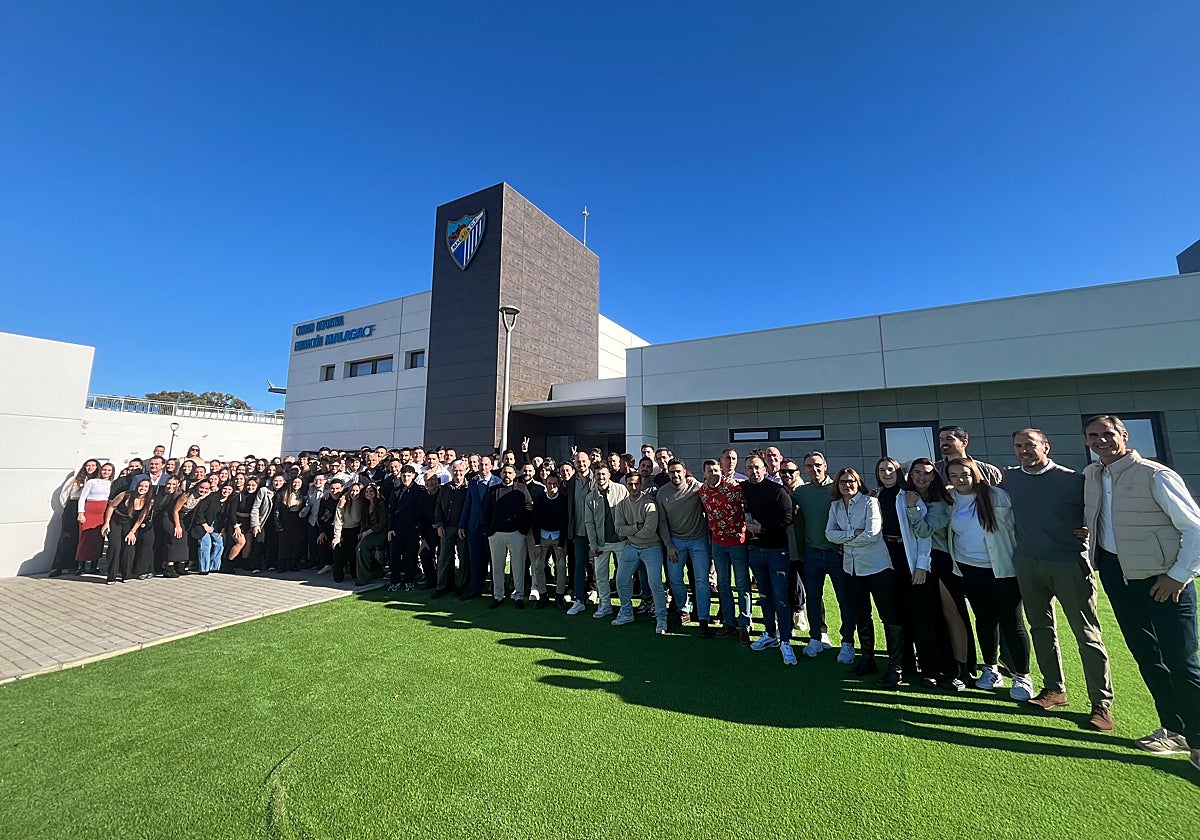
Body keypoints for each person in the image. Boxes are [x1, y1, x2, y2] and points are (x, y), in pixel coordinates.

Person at [1083, 415, 1200, 766]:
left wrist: (1178, 575)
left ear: (1124, 435)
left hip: (1163, 581)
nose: (1101, 440)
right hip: (1118, 577)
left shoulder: (1156, 474)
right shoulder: (1092, 475)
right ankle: (1173, 730)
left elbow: (1194, 529)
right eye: (1093, 435)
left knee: (1182, 661)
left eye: (1108, 433)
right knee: (1149, 657)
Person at [1006, 428, 1114, 729]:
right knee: (1040, 628)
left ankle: (1101, 704)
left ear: (1046, 447)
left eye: (1030, 445)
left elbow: (1100, 512)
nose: (1024, 450)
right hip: (1028, 563)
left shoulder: (1073, 480)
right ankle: (1054, 689)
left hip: (1069, 563)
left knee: (1087, 635)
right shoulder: (1011, 478)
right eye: (1018, 446)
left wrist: (1090, 533)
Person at [945, 458, 1034, 700]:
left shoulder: (997, 496)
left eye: (964, 474)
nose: (959, 480)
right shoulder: (950, 499)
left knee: (1012, 623)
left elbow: (1018, 527)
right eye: (953, 476)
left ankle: (1023, 676)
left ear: (974, 473)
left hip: (1003, 571)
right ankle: (991, 669)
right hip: (970, 570)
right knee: (984, 621)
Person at [826, 468, 905, 686]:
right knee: (861, 616)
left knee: (889, 617)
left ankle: (895, 666)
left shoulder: (870, 503)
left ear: (858, 482)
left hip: (877, 567)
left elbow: (872, 534)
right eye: (842, 481)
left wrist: (844, 538)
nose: (847, 485)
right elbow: (829, 534)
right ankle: (867, 659)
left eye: (851, 481)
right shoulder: (835, 506)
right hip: (852, 569)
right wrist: (853, 534)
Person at [900, 458, 962, 689]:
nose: (921, 477)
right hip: (911, 562)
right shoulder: (903, 496)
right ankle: (927, 667)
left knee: (943, 617)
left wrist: (912, 508)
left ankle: (951, 669)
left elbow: (924, 530)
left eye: (927, 473)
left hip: (938, 564)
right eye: (917, 473)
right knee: (921, 617)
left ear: (934, 476)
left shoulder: (940, 502)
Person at [793, 452, 856, 664]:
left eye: (818, 465)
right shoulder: (802, 492)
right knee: (813, 597)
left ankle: (847, 642)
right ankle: (816, 637)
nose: (814, 469)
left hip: (838, 553)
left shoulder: (838, 489)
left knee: (844, 600)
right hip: (812, 553)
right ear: (805, 469)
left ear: (826, 465)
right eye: (809, 466)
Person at [742, 455, 797, 665]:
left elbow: (788, 518)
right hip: (755, 550)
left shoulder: (777, 491)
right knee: (764, 595)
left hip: (776, 551)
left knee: (780, 597)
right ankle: (770, 634)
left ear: (764, 468)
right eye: (749, 468)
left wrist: (763, 529)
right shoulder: (743, 489)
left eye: (757, 467)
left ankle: (785, 640)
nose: (753, 471)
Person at [698, 458, 753, 644]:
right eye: (709, 471)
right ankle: (729, 622)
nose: (713, 474)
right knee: (723, 584)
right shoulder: (702, 492)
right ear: (704, 474)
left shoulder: (734, 488)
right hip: (718, 544)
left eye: (715, 470)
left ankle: (745, 624)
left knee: (742, 585)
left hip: (738, 542)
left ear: (720, 470)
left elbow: (749, 506)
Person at [656, 459, 713, 634]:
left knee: (702, 580)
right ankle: (684, 609)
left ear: (685, 471)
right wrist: (669, 545)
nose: (676, 475)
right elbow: (662, 522)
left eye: (679, 471)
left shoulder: (697, 488)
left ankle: (703, 617)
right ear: (668, 473)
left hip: (699, 540)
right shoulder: (662, 493)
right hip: (676, 542)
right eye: (672, 472)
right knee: (674, 579)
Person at [612, 471, 668, 633]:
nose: (634, 487)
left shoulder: (649, 504)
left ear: (641, 484)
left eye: (637, 483)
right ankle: (626, 612)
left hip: (652, 547)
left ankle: (661, 618)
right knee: (621, 580)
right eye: (630, 484)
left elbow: (650, 531)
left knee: (655, 583)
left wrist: (629, 530)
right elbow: (619, 530)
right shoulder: (621, 505)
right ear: (626, 485)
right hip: (632, 546)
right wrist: (636, 527)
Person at [482, 465, 534, 608]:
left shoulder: (522, 489)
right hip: (496, 534)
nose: (507, 475)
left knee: (518, 567)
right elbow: (485, 512)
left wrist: (522, 530)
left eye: (510, 472)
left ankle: (518, 596)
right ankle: (498, 596)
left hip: (516, 534)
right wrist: (489, 532)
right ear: (500, 474)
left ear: (514, 474)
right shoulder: (493, 490)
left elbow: (529, 508)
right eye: (504, 472)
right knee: (497, 567)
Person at [581, 465, 629, 619]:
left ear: (609, 475)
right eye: (598, 475)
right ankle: (606, 605)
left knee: (623, 577)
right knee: (601, 576)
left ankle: (625, 607)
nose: (600, 477)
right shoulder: (590, 497)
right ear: (594, 476)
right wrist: (593, 545)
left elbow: (630, 511)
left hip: (621, 540)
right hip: (602, 543)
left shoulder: (621, 490)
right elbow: (589, 523)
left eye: (603, 474)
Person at [50, 459, 99, 577]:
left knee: (80, 537)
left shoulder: (98, 481)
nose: (90, 467)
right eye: (88, 465)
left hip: (89, 508)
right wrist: (70, 508)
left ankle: (74, 565)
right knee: (66, 537)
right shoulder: (75, 479)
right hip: (73, 507)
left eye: (93, 465)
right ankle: (58, 566)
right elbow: (64, 495)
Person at [459, 456, 499, 599]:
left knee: (494, 560)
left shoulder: (498, 482)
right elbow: (467, 505)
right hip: (474, 527)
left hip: (491, 529)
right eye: (481, 465)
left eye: (486, 465)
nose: (483, 467)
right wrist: (462, 525)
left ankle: (496, 590)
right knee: (475, 560)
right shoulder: (473, 483)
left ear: (491, 466)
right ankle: (475, 589)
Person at [102, 478, 153, 584]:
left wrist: (132, 532)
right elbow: (111, 507)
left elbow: (141, 517)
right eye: (141, 486)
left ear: (149, 489)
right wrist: (107, 523)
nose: (142, 488)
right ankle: (111, 576)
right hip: (116, 521)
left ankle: (126, 575)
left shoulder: (149, 501)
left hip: (130, 524)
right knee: (115, 546)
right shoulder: (125, 494)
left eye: (145, 487)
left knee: (129, 546)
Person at [531, 470, 568, 608]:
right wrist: (536, 544)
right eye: (549, 484)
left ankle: (559, 596)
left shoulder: (563, 501)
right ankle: (543, 595)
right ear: (545, 484)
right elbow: (535, 522)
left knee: (560, 566)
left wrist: (560, 547)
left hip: (559, 538)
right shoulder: (540, 500)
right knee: (538, 565)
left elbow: (564, 523)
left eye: (554, 484)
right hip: (543, 537)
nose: (551, 486)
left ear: (558, 485)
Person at [433, 460, 469, 597]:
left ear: (465, 471)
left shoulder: (468, 488)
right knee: (444, 558)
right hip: (447, 527)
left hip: (462, 528)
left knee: (463, 557)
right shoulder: (445, 488)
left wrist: (464, 526)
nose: (458, 473)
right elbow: (438, 507)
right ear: (451, 471)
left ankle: (461, 586)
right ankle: (441, 586)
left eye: (460, 471)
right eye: (455, 471)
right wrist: (439, 524)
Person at [387, 467, 422, 592]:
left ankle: (409, 580)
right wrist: (390, 529)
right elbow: (390, 511)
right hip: (397, 529)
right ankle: (395, 581)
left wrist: (419, 528)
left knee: (411, 556)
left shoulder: (418, 490)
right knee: (395, 556)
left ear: (413, 475)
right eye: (404, 476)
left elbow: (420, 511)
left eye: (408, 475)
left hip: (412, 529)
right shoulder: (396, 491)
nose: (406, 478)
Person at [76, 462, 115, 574]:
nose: (106, 472)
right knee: (84, 538)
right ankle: (81, 566)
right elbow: (82, 498)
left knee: (98, 539)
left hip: (102, 513)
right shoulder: (91, 482)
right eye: (104, 469)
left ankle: (94, 566)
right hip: (89, 511)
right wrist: (81, 512)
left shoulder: (111, 483)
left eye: (109, 470)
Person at [935, 426, 1003, 486]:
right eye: (941, 439)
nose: (944, 443)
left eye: (949, 439)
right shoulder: (934, 471)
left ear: (964, 443)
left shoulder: (988, 471)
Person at [332, 482, 366, 584]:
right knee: (338, 551)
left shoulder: (363, 502)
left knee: (353, 552)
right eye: (352, 490)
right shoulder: (343, 501)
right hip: (343, 530)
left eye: (357, 491)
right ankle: (338, 574)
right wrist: (337, 536)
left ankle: (354, 572)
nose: (354, 493)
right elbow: (338, 519)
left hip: (357, 529)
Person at [355, 483, 386, 587]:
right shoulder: (365, 505)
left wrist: (367, 533)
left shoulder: (381, 504)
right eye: (367, 492)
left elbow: (381, 523)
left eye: (371, 491)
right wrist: (362, 533)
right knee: (358, 547)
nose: (369, 493)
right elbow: (364, 523)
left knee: (362, 547)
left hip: (380, 533)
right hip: (368, 533)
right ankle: (375, 570)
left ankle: (364, 578)